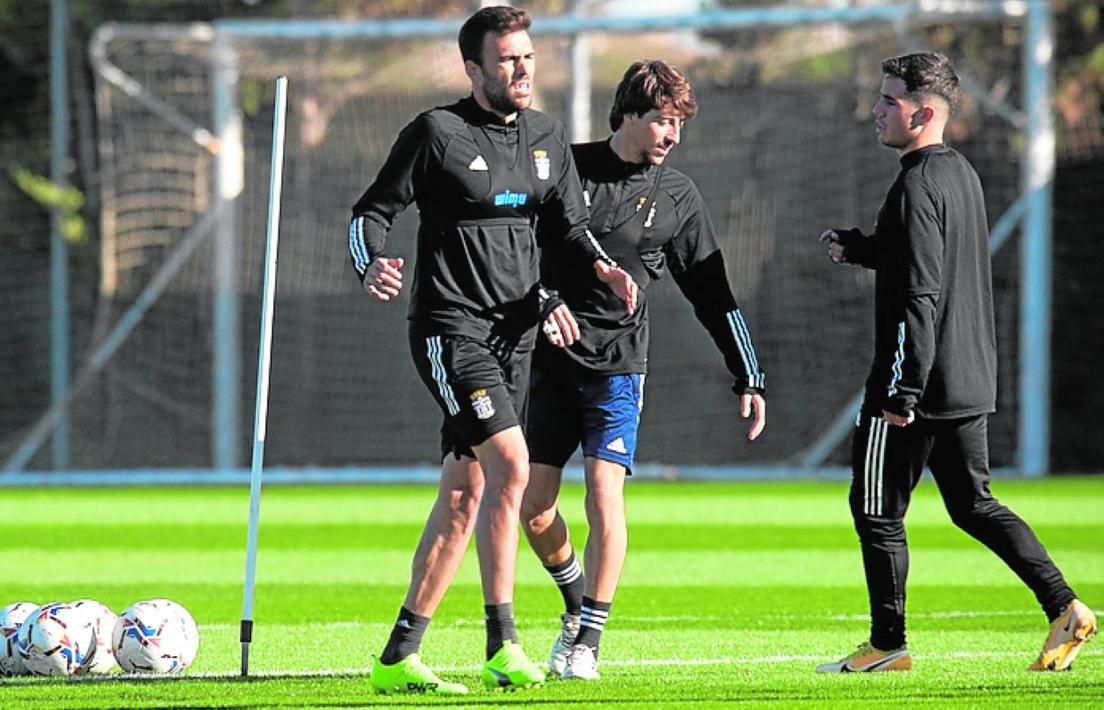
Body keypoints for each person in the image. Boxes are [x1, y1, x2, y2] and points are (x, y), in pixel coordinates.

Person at [348, 5, 638, 695]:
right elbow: (372, 212)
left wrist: (599, 268)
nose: (522, 68)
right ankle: (503, 643)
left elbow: (569, 228)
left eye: (528, 56)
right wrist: (371, 262)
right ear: (474, 69)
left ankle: (397, 658)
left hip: (517, 339)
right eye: (507, 59)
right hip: (451, 331)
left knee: (464, 494)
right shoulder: (436, 133)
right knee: (511, 465)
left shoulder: (546, 136)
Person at [816, 52, 1095, 673]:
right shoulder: (957, 173)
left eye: (887, 101)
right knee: (975, 505)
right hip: (968, 377)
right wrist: (864, 248)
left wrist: (902, 390)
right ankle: (1065, 605)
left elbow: (922, 292)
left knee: (876, 508)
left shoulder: (915, 183)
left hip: (916, 385)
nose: (876, 111)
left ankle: (888, 645)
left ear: (921, 112)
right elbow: (926, 258)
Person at [519, 60, 768, 681]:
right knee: (535, 510)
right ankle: (576, 606)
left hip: (619, 368)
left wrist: (749, 372)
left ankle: (588, 643)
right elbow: (514, 251)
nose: (672, 134)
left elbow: (711, 290)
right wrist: (542, 302)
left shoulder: (678, 195)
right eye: (662, 119)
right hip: (549, 364)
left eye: (680, 123)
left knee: (604, 496)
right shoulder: (566, 168)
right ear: (628, 114)